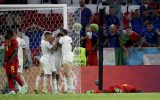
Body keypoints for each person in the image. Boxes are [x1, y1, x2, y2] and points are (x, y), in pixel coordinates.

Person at [3, 29, 27, 95]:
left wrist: (11, 59)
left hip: (13, 60)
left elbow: (16, 51)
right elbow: (6, 52)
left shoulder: (14, 41)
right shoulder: (5, 42)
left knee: (13, 75)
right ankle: (12, 90)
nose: (4, 34)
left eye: (6, 33)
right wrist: (4, 61)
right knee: (8, 76)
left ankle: (23, 86)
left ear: (9, 34)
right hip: (7, 61)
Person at [13, 28, 28, 93]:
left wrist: (24, 59)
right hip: (13, 60)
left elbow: (24, 50)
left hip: (19, 59)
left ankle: (21, 89)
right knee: (16, 74)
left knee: (18, 74)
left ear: (15, 33)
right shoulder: (10, 41)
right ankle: (25, 86)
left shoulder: (21, 40)